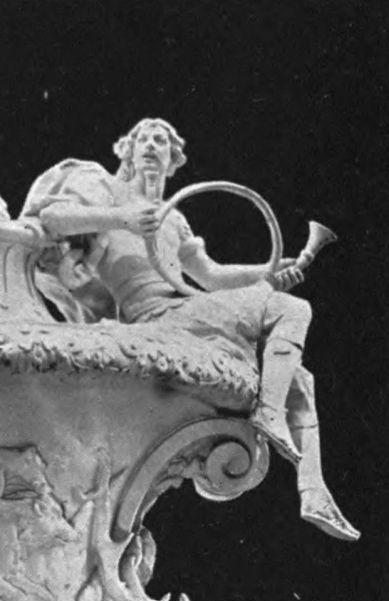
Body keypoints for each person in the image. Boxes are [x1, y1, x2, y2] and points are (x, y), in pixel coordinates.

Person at [24, 118, 358, 541]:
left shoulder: (174, 219)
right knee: (292, 311)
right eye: (143, 138)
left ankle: (313, 491)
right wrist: (123, 218)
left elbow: (211, 275)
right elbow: (52, 218)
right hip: (156, 316)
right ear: (128, 151)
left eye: (161, 140)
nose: (151, 145)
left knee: (298, 378)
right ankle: (270, 416)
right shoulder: (108, 193)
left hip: (188, 308)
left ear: (173, 159)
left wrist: (270, 272)